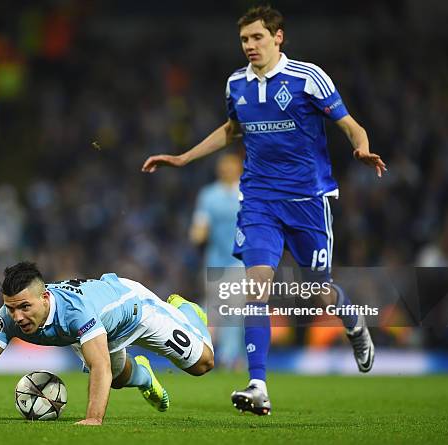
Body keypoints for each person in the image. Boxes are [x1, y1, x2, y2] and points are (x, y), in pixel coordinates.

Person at [142, 5, 386, 416]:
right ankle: (258, 384)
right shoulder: (235, 83)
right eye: (244, 40)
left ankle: (353, 324)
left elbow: (349, 124)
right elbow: (232, 130)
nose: (250, 46)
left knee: (317, 289)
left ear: (278, 37)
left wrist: (360, 147)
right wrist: (184, 158)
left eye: (257, 37)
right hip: (258, 200)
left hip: (308, 200)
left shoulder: (308, 78)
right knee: (256, 285)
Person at [0, 261, 213, 426]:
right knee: (117, 380)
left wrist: (93, 418)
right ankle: (143, 377)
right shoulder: (10, 316)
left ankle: (187, 311)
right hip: (100, 326)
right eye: (11, 308)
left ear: (45, 298)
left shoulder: (75, 312)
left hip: (136, 310)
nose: (18, 317)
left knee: (203, 365)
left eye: (24, 307)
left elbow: (99, 366)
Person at [190, 153, 244, 369]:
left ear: (239, 166)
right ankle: (201, 349)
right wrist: (197, 233)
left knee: (233, 307)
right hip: (214, 261)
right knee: (213, 309)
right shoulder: (209, 195)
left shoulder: (247, 192)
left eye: (230, 165)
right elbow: (200, 225)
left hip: (240, 260)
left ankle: (229, 356)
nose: (226, 169)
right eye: (223, 165)